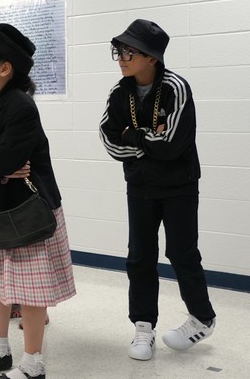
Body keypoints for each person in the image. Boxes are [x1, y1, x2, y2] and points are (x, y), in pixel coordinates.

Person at [0, 24, 75, 379]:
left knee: (31, 289)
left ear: (5, 68)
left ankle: (33, 363)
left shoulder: (21, 106)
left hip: (29, 210)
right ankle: (0, 350)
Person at [99, 19, 216, 361]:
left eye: (129, 51)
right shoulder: (119, 93)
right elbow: (109, 140)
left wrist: (132, 135)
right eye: (118, 50)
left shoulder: (176, 87)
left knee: (181, 254)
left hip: (179, 186)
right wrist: (149, 139)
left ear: (151, 57)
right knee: (139, 257)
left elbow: (174, 145)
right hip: (139, 186)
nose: (121, 57)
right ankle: (143, 325)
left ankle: (203, 317)